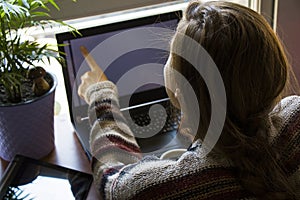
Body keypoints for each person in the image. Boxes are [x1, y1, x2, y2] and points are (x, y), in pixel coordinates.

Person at [78, 1, 300, 199]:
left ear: (180, 91)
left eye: (171, 56)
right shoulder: (295, 115)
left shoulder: (160, 189)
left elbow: (111, 178)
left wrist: (100, 93)